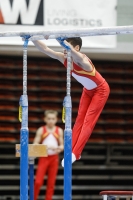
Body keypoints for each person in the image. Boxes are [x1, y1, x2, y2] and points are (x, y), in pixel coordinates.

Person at [33, 37, 110, 166]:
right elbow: (45, 49)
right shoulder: (64, 58)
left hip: (101, 90)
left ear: (77, 48)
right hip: (88, 90)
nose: (63, 51)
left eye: (66, 47)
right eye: (63, 48)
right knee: (79, 120)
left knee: (87, 121)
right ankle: (70, 152)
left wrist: (60, 40)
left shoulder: (83, 61)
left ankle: (76, 153)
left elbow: (77, 56)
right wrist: (33, 39)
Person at [34, 110, 64, 200]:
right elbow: (35, 144)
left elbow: (62, 145)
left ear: (56, 120)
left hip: (54, 158)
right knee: (38, 182)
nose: (51, 120)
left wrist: (60, 148)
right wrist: (46, 147)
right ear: (45, 119)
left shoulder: (59, 130)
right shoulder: (41, 130)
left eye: (53, 119)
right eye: (49, 119)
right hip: (44, 157)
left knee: (51, 183)